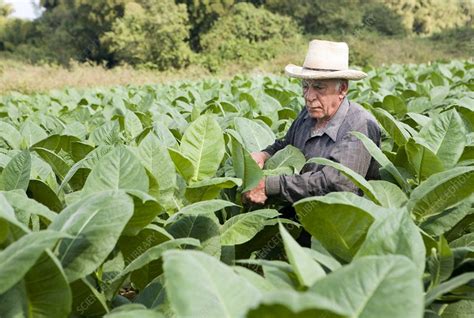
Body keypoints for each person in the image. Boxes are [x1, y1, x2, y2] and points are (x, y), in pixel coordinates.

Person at [243, 39, 381, 206]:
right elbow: (286, 146)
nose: (309, 96)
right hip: (300, 216)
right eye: (305, 86)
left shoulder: (360, 125)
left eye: (319, 87)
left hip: (340, 224)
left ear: (342, 89)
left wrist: (269, 185)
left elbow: (337, 184)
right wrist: (264, 155)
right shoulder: (308, 115)